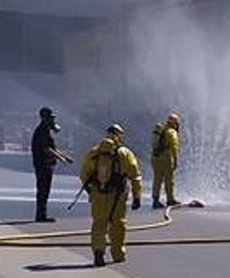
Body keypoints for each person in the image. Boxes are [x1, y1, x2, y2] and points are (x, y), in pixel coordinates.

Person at [79, 124, 143, 267]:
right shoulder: (125, 153)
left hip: (98, 194)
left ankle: (98, 253)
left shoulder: (94, 152)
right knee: (118, 224)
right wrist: (137, 196)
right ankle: (118, 254)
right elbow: (135, 176)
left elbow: (84, 173)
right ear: (120, 136)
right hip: (118, 196)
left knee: (99, 224)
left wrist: (90, 190)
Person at [29, 107, 74, 223]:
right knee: (43, 190)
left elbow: (53, 148)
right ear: (44, 118)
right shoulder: (42, 131)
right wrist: (60, 158)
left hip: (47, 164)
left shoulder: (46, 130)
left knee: (45, 190)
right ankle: (40, 215)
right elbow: (46, 148)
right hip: (43, 164)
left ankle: (42, 214)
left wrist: (65, 156)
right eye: (50, 118)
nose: (52, 120)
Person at [148, 112, 182, 210]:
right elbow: (174, 148)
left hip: (155, 157)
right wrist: (175, 160)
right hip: (165, 158)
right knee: (168, 180)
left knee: (157, 179)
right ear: (175, 123)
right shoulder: (172, 132)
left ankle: (155, 200)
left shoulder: (162, 130)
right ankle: (170, 200)